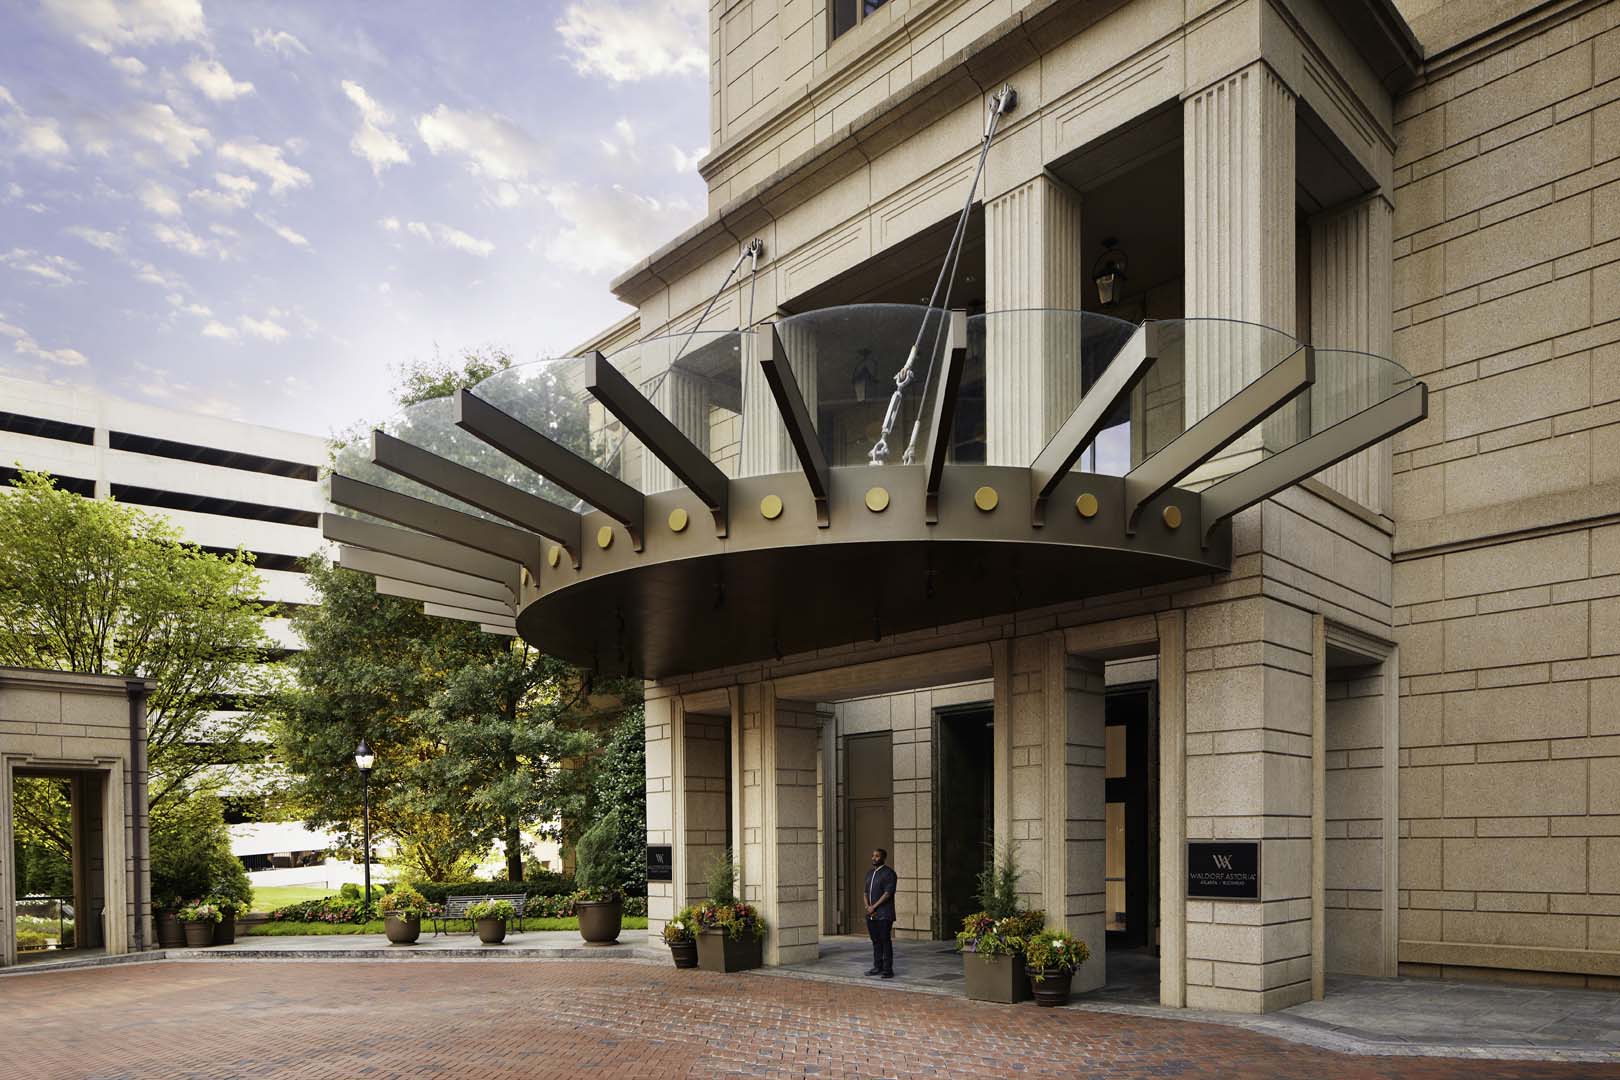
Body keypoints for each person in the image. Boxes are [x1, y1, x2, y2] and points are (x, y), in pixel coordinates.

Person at [863, 847, 897, 978]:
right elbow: (865, 892)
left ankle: (888, 970)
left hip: (884, 914)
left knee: (885, 940)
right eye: (873, 856)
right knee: (875, 941)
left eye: (877, 856)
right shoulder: (869, 873)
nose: (874, 858)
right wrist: (868, 907)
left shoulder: (889, 873)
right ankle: (877, 967)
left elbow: (888, 893)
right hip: (871, 915)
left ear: (883, 858)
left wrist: (874, 906)